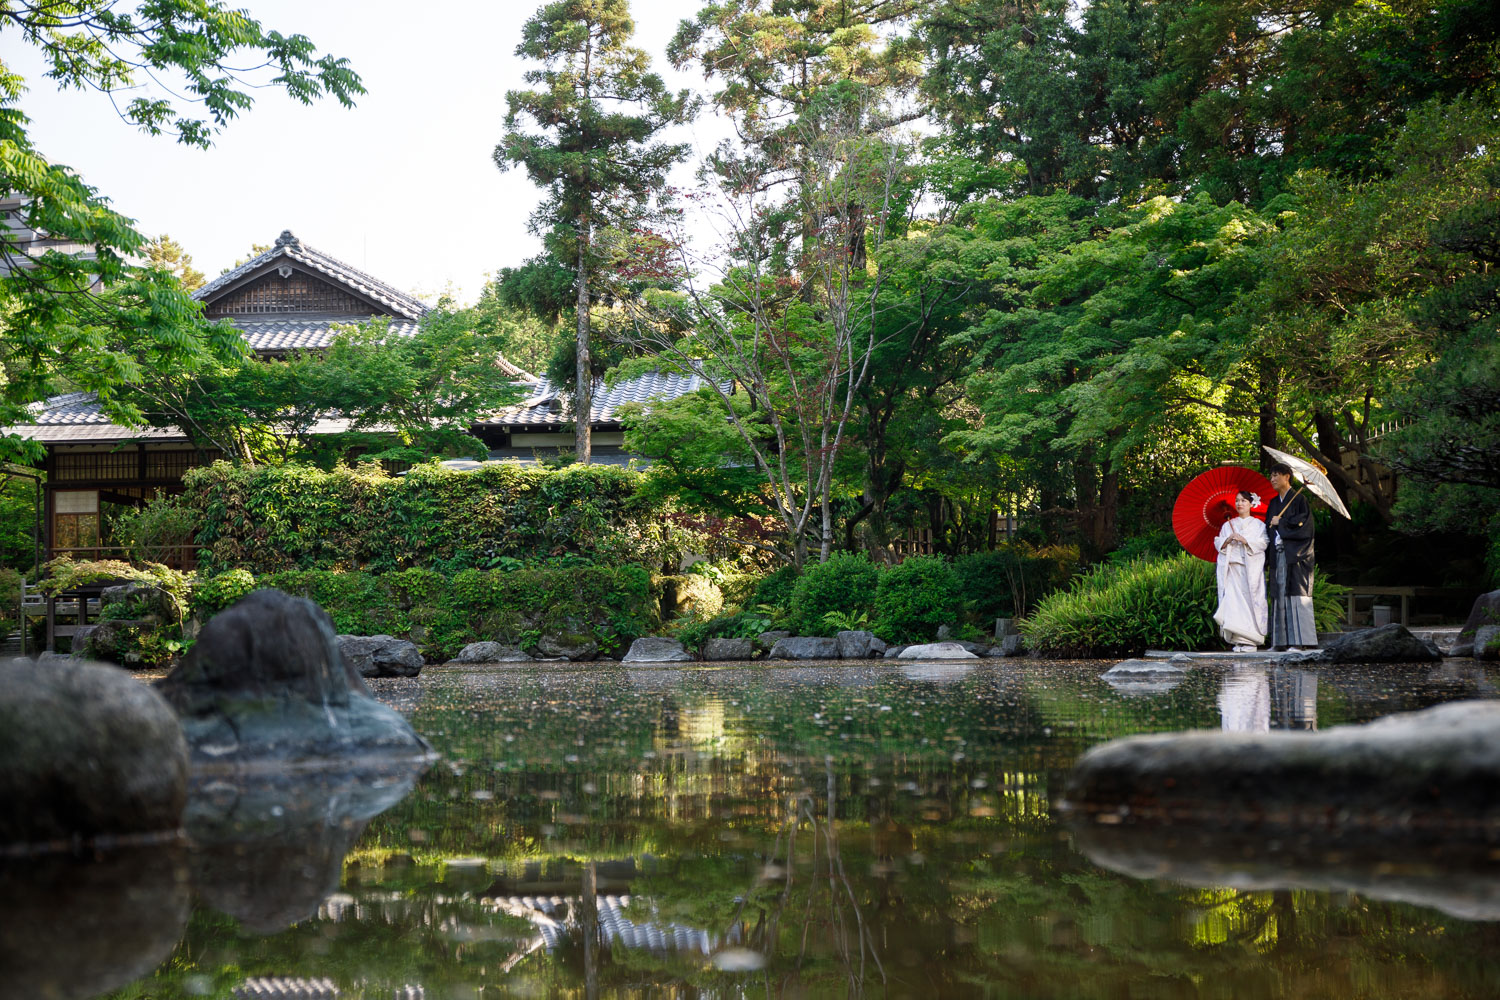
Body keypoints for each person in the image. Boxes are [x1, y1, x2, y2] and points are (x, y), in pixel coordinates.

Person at [1265, 461, 1318, 650]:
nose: (1272, 479)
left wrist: (1282, 522)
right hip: (1278, 553)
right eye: (1271, 476)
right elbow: (1268, 528)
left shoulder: (1300, 501)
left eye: (1276, 475)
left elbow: (1305, 526)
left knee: (1297, 594)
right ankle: (1279, 642)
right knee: (1278, 594)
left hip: (1296, 555)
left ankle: (1299, 642)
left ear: (1287, 476)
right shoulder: (1273, 503)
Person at [1214, 490, 1268, 652]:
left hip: (1249, 569)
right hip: (1233, 569)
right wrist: (1228, 539)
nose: (1239, 504)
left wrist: (1245, 540)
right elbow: (1218, 544)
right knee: (1233, 603)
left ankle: (1251, 640)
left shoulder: (1259, 525)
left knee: (1250, 602)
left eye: (1244, 501)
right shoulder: (1228, 525)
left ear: (1251, 504)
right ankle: (1238, 640)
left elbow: (1263, 543)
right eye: (1237, 501)